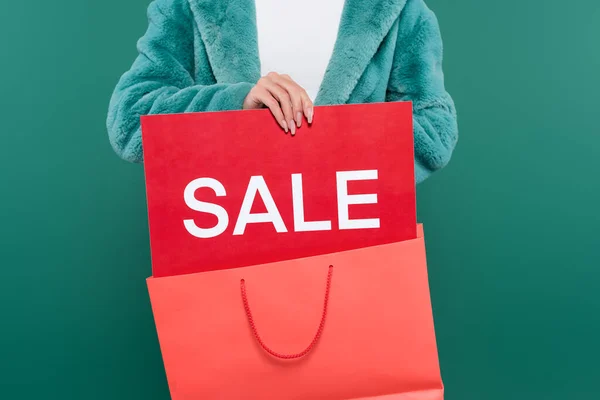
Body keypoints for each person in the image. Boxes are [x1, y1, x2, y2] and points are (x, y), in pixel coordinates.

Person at [107, 0, 458, 183]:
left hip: (355, 262)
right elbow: (129, 120)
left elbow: (435, 132)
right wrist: (235, 106)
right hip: (227, 260)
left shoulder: (400, 10)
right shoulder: (192, 5)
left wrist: (337, 138)